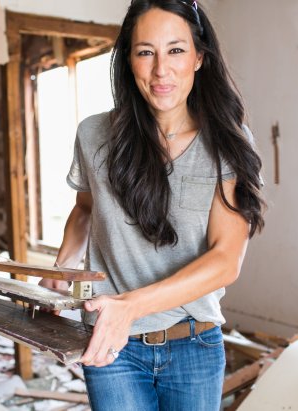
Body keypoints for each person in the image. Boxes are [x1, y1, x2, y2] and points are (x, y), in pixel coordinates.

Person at [41, 0, 265, 409]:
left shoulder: (227, 144)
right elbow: (86, 208)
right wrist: (62, 267)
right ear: (128, 60)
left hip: (192, 342)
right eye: (145, 51)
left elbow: (225, 260)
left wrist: (129, 307)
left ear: (199, 57)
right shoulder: (94, 135)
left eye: (176, 50)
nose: (161, 69)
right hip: (112, 346)